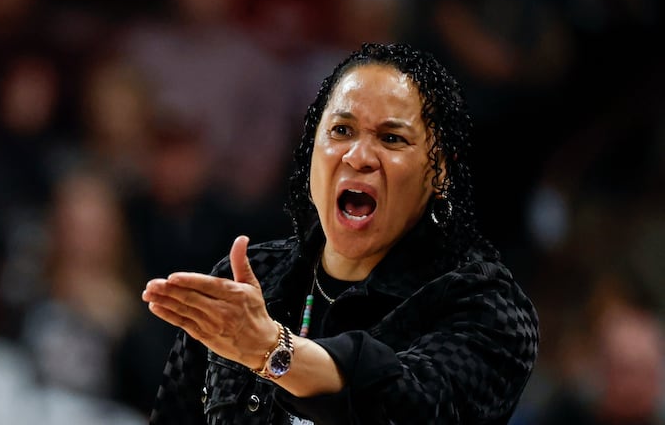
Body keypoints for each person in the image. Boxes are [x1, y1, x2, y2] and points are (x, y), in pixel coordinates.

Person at [141, 42, 539, 424]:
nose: (358, 156)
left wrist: (274, 351)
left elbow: (417, 406)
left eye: (391, 138)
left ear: (440, 172)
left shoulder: (487, 306)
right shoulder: (246, 285)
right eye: (342, 130)